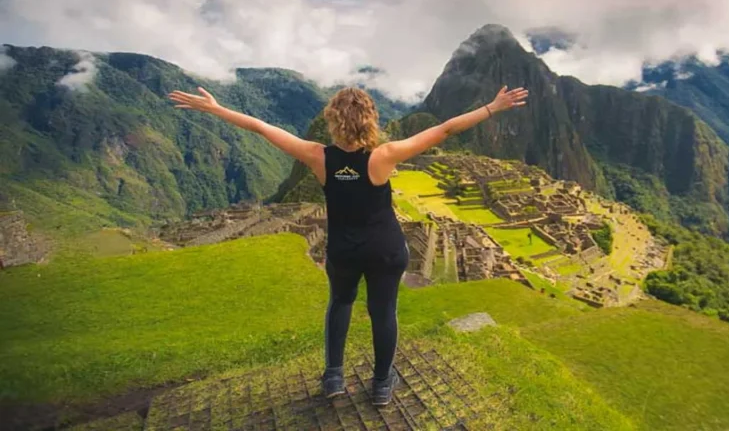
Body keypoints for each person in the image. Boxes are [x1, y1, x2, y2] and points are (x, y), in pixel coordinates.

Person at [168, 84, 528, 405]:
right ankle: (383, 384)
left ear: (333, 121)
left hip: (344, 250)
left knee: (340, 303)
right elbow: (445, 129)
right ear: (370, 120)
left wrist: (215, 109)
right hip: (385, 249)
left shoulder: (317, 156)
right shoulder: (383, 157)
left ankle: (334, 377)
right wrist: (492, 108)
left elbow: (261, 127)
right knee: (383, 312)